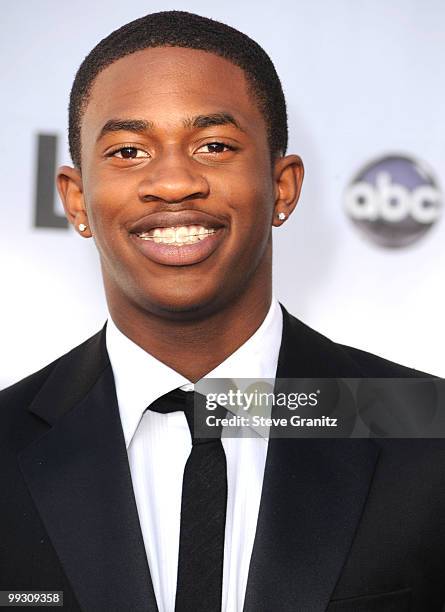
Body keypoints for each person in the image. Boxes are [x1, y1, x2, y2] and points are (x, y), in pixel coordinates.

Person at [0, 10, 444, 612]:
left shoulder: (424, 431)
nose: (174, 181)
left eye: (214, 146)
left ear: (281, 187)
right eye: (129, 150)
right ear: (76, 200)